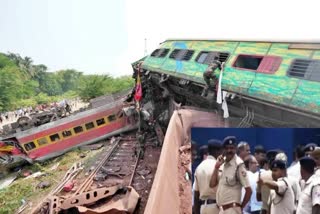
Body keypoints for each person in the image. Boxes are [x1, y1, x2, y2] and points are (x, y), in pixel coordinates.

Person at [210, 136, 252, 214]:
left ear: (235, 149)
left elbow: (249, 190)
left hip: (232, 209)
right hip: (222, 210)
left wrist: (240, 207)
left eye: (232, 148)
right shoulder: (222, 164)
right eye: (227, 148)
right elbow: (212, 184)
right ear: (223, 150)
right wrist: (216, 167)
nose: (229, 150)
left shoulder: (239, 165)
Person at [194, 140, 223, 214]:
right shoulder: (220, 166)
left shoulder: (199, 167)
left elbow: (196, 194)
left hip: (203, 208)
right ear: (217, 151)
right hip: (217, 208)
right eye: (221, 151)